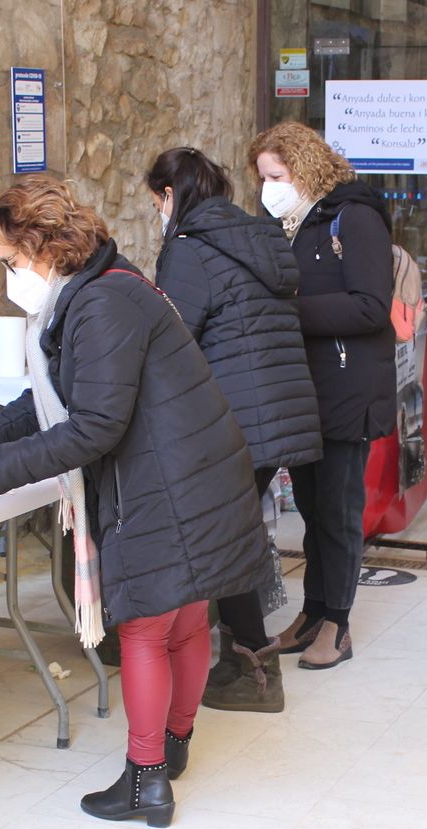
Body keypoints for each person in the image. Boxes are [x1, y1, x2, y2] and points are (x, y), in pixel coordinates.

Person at [0, 176, 270, 826]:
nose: (9, 275)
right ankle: (173, 750)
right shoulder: (105, 286)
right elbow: (43, 404)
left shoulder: (99, 305)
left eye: (10, 260)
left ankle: (147, 780)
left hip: (168, 485)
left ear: (40, 245)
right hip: (197, 473)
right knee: (183, 623)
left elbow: (93, 426)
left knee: (148, 627)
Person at [145, 147, 322, 714]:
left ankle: (252, 671)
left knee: (224, 538)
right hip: (278, 407)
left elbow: (175, 337)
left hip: (232, 417)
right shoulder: (259, 235)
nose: (157, 214)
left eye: (155, 203)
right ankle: (242, 660)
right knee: (235, 532)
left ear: (170, 196)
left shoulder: (189, 247)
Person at [247, 121, 396, 669]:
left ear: (306, 168)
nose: (269, 187)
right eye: (262, 177)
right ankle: (312, 613)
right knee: (310, 510)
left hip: (347, 386)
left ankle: (339, 621)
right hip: (303, 389)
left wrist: (285, 312)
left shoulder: (352, 218)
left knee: (337, 510)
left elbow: (369, 307)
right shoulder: (289, 223)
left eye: (277, 175)